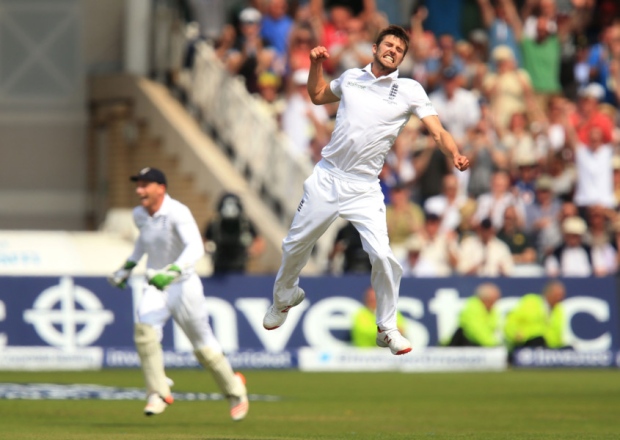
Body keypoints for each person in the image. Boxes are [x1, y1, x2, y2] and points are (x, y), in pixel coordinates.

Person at [262, 25, 470, 357]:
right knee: (295, 245)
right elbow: (317, 96)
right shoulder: (350, 78)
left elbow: (438, 131)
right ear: (374, 48)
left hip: (365, 187)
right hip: (328, 177)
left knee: (385, 257)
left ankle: (387, 327)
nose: (393, 51)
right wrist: (316, 64)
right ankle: (284, 297)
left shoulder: (409, 89)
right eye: (388, 45)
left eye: (400, 50)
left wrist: (455, 153)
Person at [108, 167, 248, 420]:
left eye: (145, 185)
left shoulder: (177, 212)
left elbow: (195, 247)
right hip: (155, 285)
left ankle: (235, 390)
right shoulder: (139, 214)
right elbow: (143, 242)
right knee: (144, 331)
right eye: (138, 185)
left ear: (161, 188)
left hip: (183, 285)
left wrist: (171, 272)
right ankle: (158, 392)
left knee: (203, 346)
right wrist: (127, 268)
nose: (139, 190)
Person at [204, 192, 265, 274]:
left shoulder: (245, 224)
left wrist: (252, 250)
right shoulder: (215, 224)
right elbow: (204, 239)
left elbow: (259, 241)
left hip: (239, 265)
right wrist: (207, 248)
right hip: (219, 265)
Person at [504, 280, 568, 350]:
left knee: (568, 349)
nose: (560, 299)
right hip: (528, 343)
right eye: (558, 295)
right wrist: (515, 334)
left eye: (562, 295)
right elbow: (511, 321)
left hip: (548, 348)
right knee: (538, 340)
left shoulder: (558, 310)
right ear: (548, 293)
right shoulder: (530, 302)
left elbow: (557, 335)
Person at [447, 282, 502, 347]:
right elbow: (477, 332)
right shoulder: (471, 309)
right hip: (463, 346)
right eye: (493, 299)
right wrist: (494, 344)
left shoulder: (491, 310)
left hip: (480, 346)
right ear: (485, 299)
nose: (496, 302)